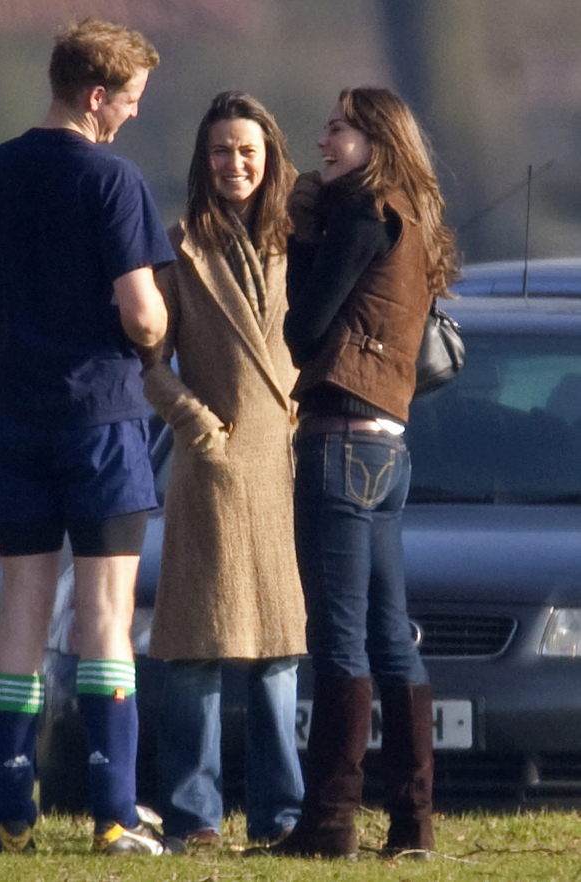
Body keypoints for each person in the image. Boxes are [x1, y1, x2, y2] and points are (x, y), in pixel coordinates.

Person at [0, 19, 175, 856]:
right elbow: (143, 315)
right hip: (99, 419)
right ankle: (113, 814)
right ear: (96, 96)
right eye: (130, 100)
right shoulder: (111, 179)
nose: (134, 114)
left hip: (13, 419)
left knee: (22, 610)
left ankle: (11, 816)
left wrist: (21, 312)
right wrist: (152, 327)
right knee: (105, 613)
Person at [272, 87, 459, 859]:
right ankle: (412, 824)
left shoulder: (359, 210)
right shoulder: (413, 216)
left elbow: (304, 328)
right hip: (389, 447)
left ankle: (328, 824)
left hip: (340, 441)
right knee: (391, 638)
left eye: (338, 128)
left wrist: (301, 237)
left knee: (340, 642)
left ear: (376, 138)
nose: (323, 141)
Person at [142, 90, 307, 850]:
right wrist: (197, 426)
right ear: (201, 160)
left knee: (278, 651)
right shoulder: (179, 249)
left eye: (247, 150)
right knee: (196, 649)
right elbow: (148, 363)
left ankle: (281, 816)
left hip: (281, 467)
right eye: (220, 150)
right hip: (211, 469)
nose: (233, 163)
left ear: (270, 157)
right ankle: (194, 817)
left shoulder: (300, 243)